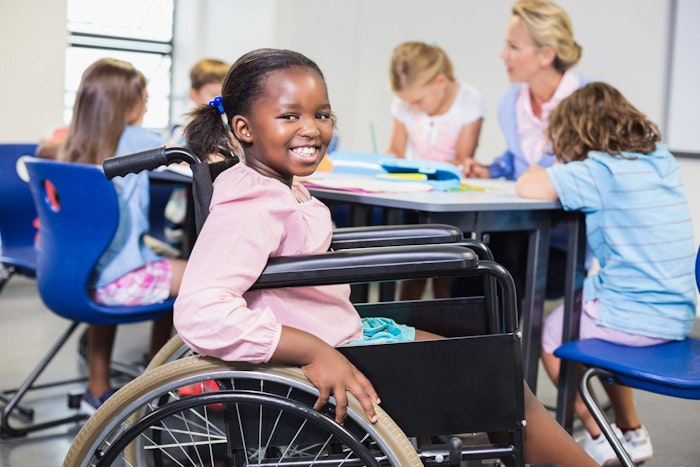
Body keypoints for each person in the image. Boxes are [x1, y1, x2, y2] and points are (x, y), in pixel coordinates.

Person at [173, 47, 596, 466]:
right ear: (244, 129)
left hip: (344, 332)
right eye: (290, 116)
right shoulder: (251, 205)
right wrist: (313, 352)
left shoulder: (279, 187)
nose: (312, 129)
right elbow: (200, 312)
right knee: (496, 380)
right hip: (327, 351)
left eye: (321, 115)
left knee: (494, 372)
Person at [515, 82, 697, 465]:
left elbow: (529, 186)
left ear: (575, 133)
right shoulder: (660, 159)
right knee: (586, 311)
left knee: (554, 332)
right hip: (679, 314)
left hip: (632, 317)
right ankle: (631, 431)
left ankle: (598, 436)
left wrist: (540, 163)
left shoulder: (596, 172)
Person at [57, 58, 187, 414]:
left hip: (81, 278)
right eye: (144, 98)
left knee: (160, 265)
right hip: (118, 281)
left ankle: (96, 389)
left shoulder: (72, 146)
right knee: (195, 274)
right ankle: (154, 381)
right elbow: (184, 151)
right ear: (129, 103)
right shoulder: (140, 139)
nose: (146, 106)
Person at [458, 0, 587, 304]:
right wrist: (491, 170)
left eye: (513, 46)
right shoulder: (511, 100)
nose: (504, 55)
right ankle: (472, 349)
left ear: (546, 54)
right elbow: (518, 161)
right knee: (467, 272)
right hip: (515, 231)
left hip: (561, 243)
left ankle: (502, 350)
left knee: (498, 279)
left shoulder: (587, 104)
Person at [386, 41, 486, 300]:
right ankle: (405, 328)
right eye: (408, 102)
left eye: (418, 100)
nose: (414, 107)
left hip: (450, 198)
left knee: (446, 273)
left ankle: (441, 326)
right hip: (413, 196)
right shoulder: (405, 103)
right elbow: (395, 150)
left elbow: (463, 159)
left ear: (441, 81)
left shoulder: (468, 100)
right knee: (412, 270)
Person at [163, 58, 231, 251]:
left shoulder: (233, 130)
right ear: (193, 95)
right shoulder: (185, 129)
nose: (220, 102)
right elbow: (173, 153)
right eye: (213, 95)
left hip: (221, 212)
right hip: (185, 215)